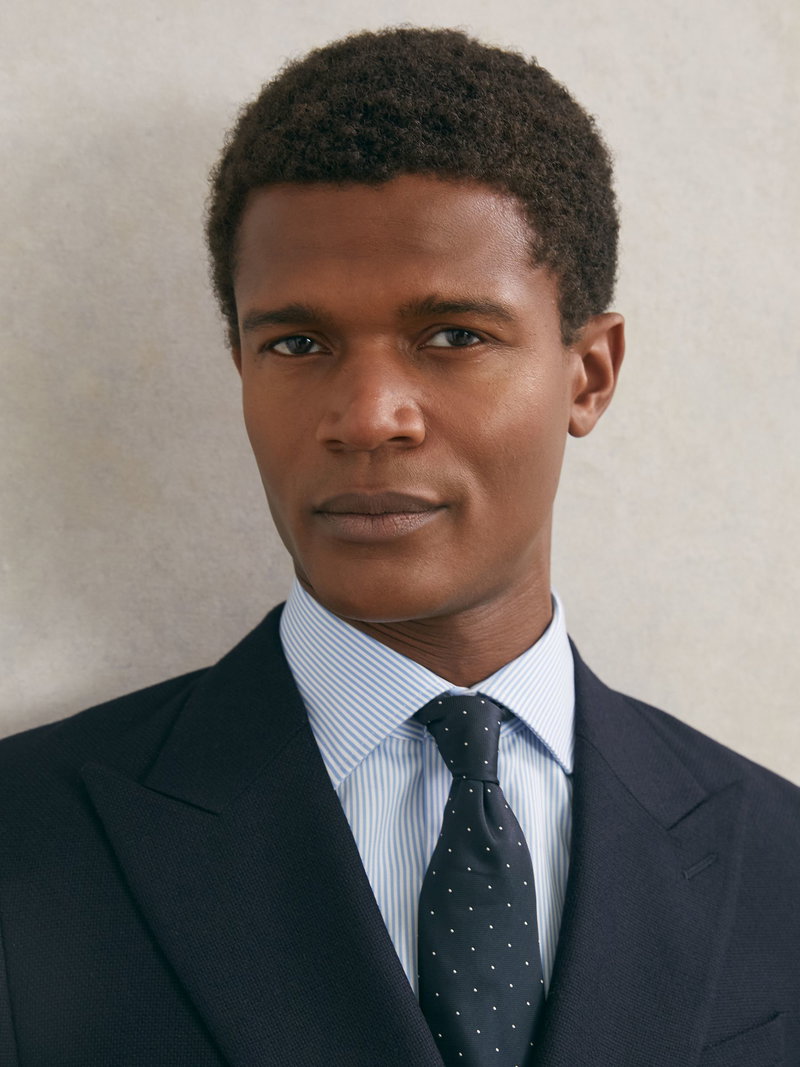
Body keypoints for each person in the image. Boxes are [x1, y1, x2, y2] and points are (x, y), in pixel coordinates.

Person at [0, 26, 797, 1067]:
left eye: (454, 335)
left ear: (589, 374)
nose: (368, 415)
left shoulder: (776, 857)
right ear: (241, 366)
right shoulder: (25, 838)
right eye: (296, 342)